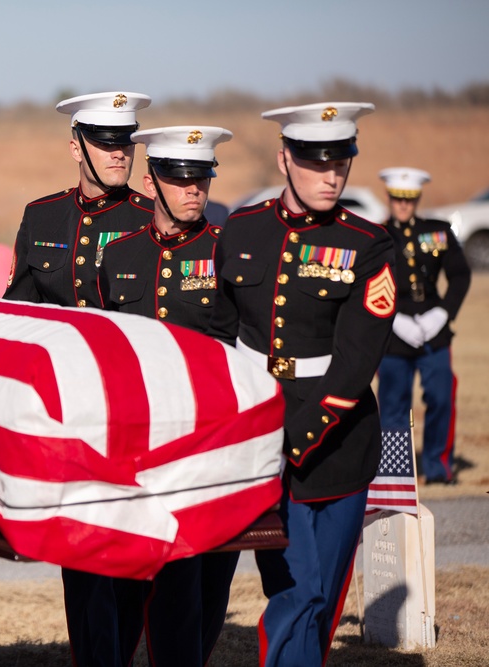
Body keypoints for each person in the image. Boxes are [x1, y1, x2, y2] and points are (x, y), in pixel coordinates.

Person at [208, 102, 395, 666]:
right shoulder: (242, 229)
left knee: (323, 600)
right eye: (316, 163)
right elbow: (221, 331)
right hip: (261, 437)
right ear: (286, 159)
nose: (330, 175)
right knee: (297, 590)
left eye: (340, 162)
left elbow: (356, 360)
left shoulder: (369, 243)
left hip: (337, 442)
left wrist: (297, 436)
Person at [3, 91, 153, 667]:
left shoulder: (149, 218)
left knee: (133, 557)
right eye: (105, 143)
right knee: (84, 557)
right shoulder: (42, 216)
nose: (119, 154)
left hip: (136, 416)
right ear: (76, 148)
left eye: (126, 143)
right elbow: (19, 315)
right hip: (70, 416)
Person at [98, 125, 237, 666]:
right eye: (180, 179)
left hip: (211, 438)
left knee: (204, 579)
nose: (193, 190)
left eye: (200, 178)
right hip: (141, 440)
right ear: (152, 182)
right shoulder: (119, 255)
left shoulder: (227, 253)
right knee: (140, 577)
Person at [376, 167, 471, 484]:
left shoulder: (438, 231)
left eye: (409, 199)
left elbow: (460, 274)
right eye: (397, 199)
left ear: (416, 199)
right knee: (392, 404)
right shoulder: (376, 235)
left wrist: (443, 313)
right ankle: (395, 472)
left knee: (442, 396)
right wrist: (392, 319)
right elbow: (368, 285)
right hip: (393, 331)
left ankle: (437, 467)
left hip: (434, 328)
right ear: (389, 198)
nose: (403, 206)